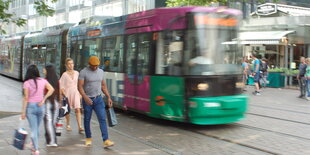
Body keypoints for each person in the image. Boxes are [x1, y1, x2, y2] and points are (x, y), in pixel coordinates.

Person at [78, 56, 114, 148]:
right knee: (87, 119)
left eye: (96, 66)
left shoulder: (101, 72)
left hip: (98, 99)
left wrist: (109, 97)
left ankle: (106, 140)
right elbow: (80, 86)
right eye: (93, 66)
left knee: (102, 119)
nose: (95, 67)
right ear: (89, 64)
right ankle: (88, 138)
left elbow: (103, 86)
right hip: (88, 100)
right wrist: (85, 97)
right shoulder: (83, 72)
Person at [21, 65, 54, 155]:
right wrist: (44, 99)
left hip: (31, 108)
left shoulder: (26, 83)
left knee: (34, 130)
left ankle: (36, 150)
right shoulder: (43, 81)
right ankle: (34, 146)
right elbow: (51, 89)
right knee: (36, 129)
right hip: (41, 107)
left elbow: (26, 98)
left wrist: (23, 112)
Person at [59, 58, 84, 133]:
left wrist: (81, 94)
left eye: (72, 63)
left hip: (76, 93)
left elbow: (80, 84)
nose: (71, 65)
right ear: (66, 65)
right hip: (67, 94)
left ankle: (80, 126)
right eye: (69, 64)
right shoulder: (64, 74)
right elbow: (61, 86)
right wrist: (64, 93)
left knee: (78, 109)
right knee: (68, 110)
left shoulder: (77, 73)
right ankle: (68, 124)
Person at [43, 65, 59, 147]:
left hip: (48, 102)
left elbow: (44, 92)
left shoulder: (45, 81)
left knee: (49, 122)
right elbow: (59, 92)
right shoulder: (57, 80)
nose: (43, 70)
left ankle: (52, 141)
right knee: (53, 122)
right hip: (56, 102)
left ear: (48, 71)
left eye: (44, 69)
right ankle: (53, 140)